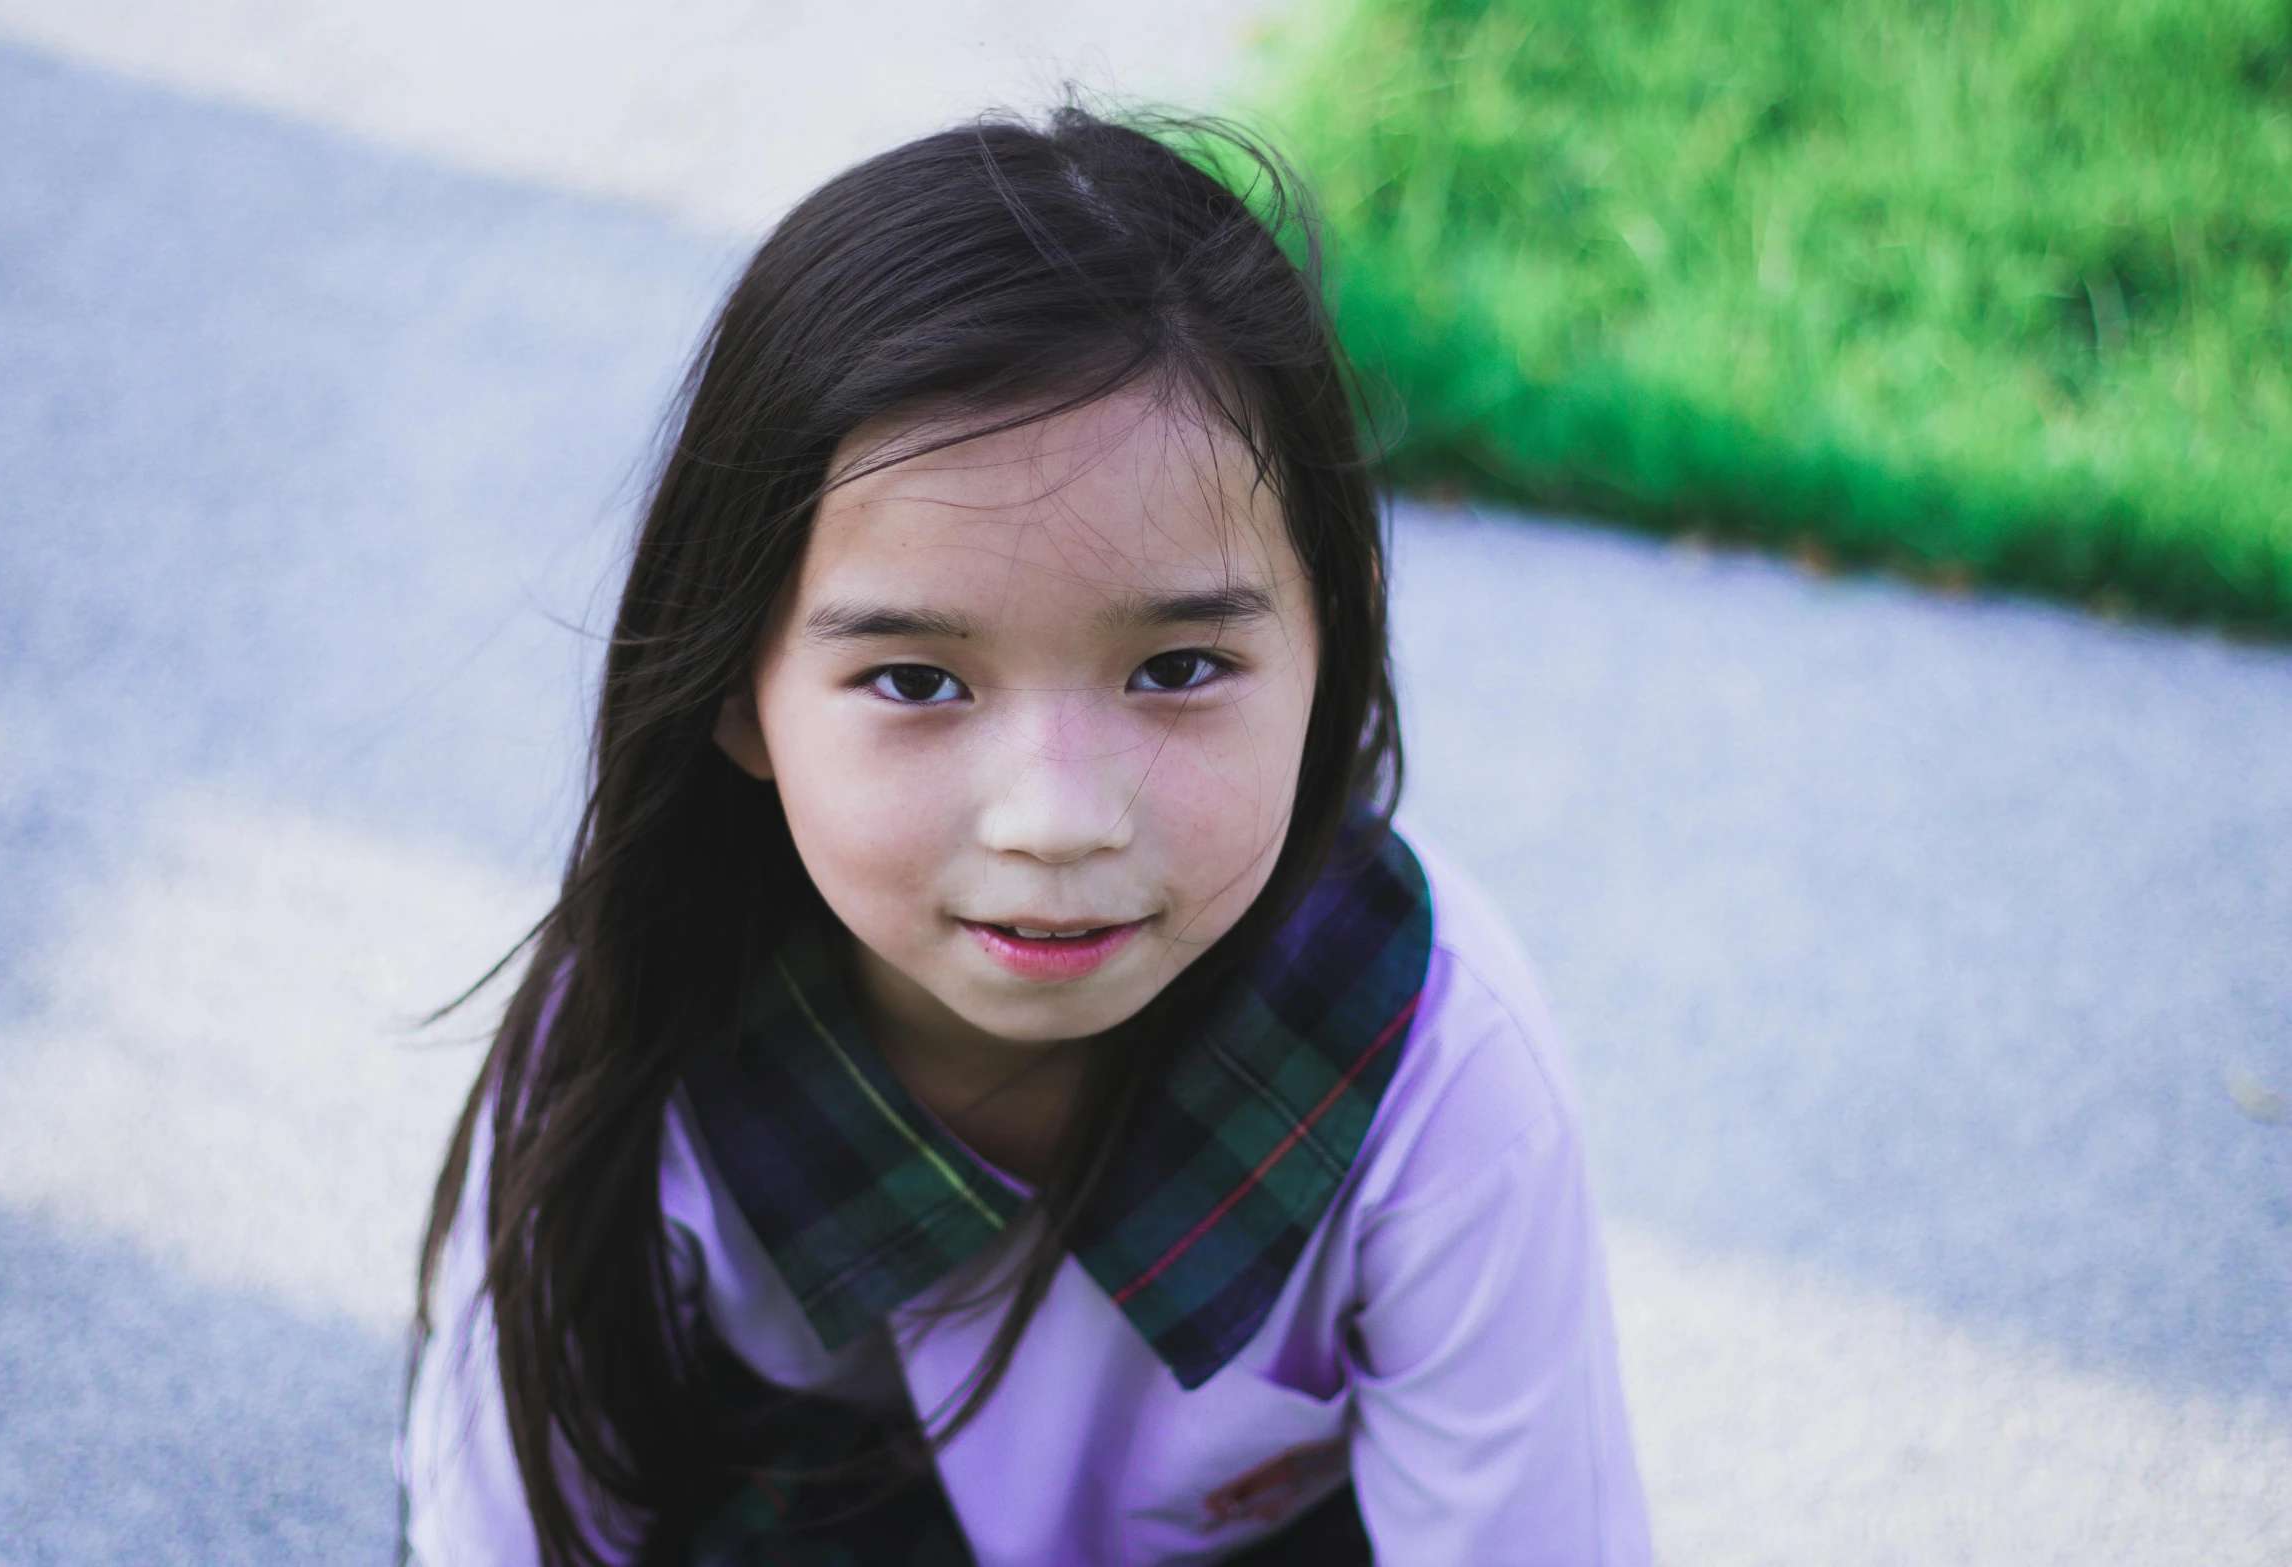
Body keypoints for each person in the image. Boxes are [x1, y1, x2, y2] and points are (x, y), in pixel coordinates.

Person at [401, 106, 1652, 1567]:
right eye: (917, 681)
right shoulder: (636, 1012)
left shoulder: (1436, 1073)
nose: (1056, 818)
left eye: (1177, 667)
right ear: (737, 688)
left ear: (1334, 636)